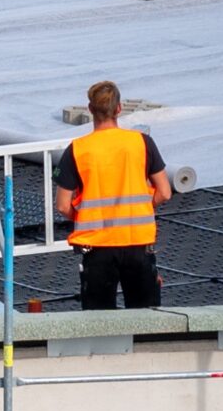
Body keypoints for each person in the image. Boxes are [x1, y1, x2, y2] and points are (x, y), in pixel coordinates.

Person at [55, 80, 173, 309]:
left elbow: (62, 205)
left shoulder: (78, 149)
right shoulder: (141, 143)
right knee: (146, 321)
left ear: (90, 110)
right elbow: (165, 192)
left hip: (97, 248)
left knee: (99, 323)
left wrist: (85, 218)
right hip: (138, 244)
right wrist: (141, 209)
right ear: (119, 109)